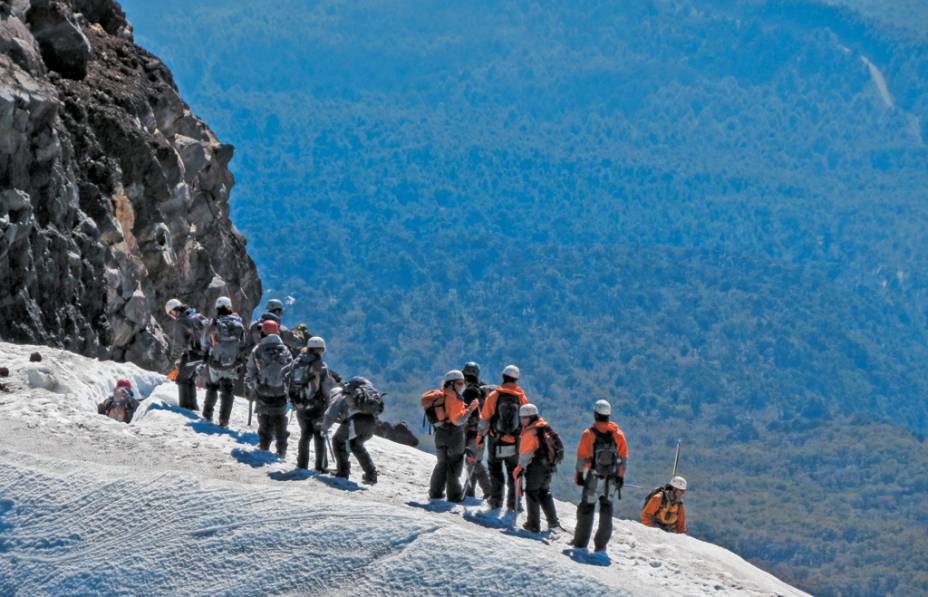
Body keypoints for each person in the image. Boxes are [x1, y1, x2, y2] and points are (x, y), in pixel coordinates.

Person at [572, 400, 629, 553]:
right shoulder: (618, 434)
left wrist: (579, 475)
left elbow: (581, 458)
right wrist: (620, 477)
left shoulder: (588, 434)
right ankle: (601, 546)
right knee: (607, 508)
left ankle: (580, 543)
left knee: (587, 508)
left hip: (593, 477)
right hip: (611, 479)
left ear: (595, 414)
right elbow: (623, 459)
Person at [421, 370, 479, 502]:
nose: (462, 385)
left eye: (462, 383)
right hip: (455, 435)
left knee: (441, 464)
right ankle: (454, 496)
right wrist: (470, 408)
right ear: (452, 383)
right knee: (454, 465)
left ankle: (435, 492)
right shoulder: (455, 398)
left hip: (440, 433)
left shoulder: (442, 395)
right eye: (459, 383)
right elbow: (458, 420)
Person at [477, 364, 528, 510]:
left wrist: (480, 436)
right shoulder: (522, 398)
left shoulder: (494, 395)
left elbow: (484, 419)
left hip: (496, 439)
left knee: (495, 469)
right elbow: (526, 422)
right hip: (514, 441)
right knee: (514, 471)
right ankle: (514, 503)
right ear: (516, 379)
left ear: (503, 377)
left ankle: (496, 501)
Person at [244, 320, 293, 457]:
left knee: (264, 416)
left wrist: (252, 383)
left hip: (263, 390)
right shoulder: (285, 350)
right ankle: (282, 447)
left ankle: (264, 444)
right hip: (281, 391)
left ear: (263, 332)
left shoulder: (258, 349)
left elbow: (250, 370)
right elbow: (291, 370)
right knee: (280, 418)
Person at [289, 336, 339, 472]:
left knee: (305, 435)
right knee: (320, 436)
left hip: (300, 405)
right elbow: (326, 388)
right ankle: (321, 466)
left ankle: (301, 464)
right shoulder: (320, 365)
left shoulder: (297, 361)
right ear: (320, 349)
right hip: (317, 407)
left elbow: (286, 376)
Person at [322, 376, 384, 484]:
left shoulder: (339, 397)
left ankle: (342, 472)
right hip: (372, 421)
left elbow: (330, 415)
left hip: (356, 420)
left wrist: (324, 428)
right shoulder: (362, 395)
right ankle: (371, 475)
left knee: (338, 441)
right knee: (355, 445)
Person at [513, 403, 562, 533]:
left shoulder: (531, 432)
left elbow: (525, 454)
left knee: (531, 492)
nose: (522, 420)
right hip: (548, 466)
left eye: (525, 417)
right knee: (544, 492)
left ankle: (533, 524)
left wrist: (519, 469)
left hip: (536, 467)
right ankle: (553, 522)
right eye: (521, 417)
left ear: (532, 417)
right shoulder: (544, 427)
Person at [202, 296, 245, 427]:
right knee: (228, 390)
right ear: (230, 307)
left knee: (212, 387)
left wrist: (206, 353)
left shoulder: (214, 322)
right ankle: (224, 420)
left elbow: (205, 340)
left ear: (217, 308)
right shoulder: (238, 323)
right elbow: (242, 344)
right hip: (231, 363)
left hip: (216, 360)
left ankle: (207, 414)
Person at [165, 298, 209, 411]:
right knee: (190, 378)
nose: (172, 316)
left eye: (171, 314)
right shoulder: (197, 315)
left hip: (193, 354)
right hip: (204, 354)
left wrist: (173, 359)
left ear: (173, 310)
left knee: (181, 379)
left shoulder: (181, 320)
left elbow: (179, 344)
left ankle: (184, 408)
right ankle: (193, 407)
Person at [461, 361, 492, 498]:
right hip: (481, 431)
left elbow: (468, 413)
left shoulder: (469, 392)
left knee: (473, 461)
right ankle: (472, 490)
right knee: (474, 460)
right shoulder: (482, 389)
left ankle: (487, 490)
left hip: (472, 431)